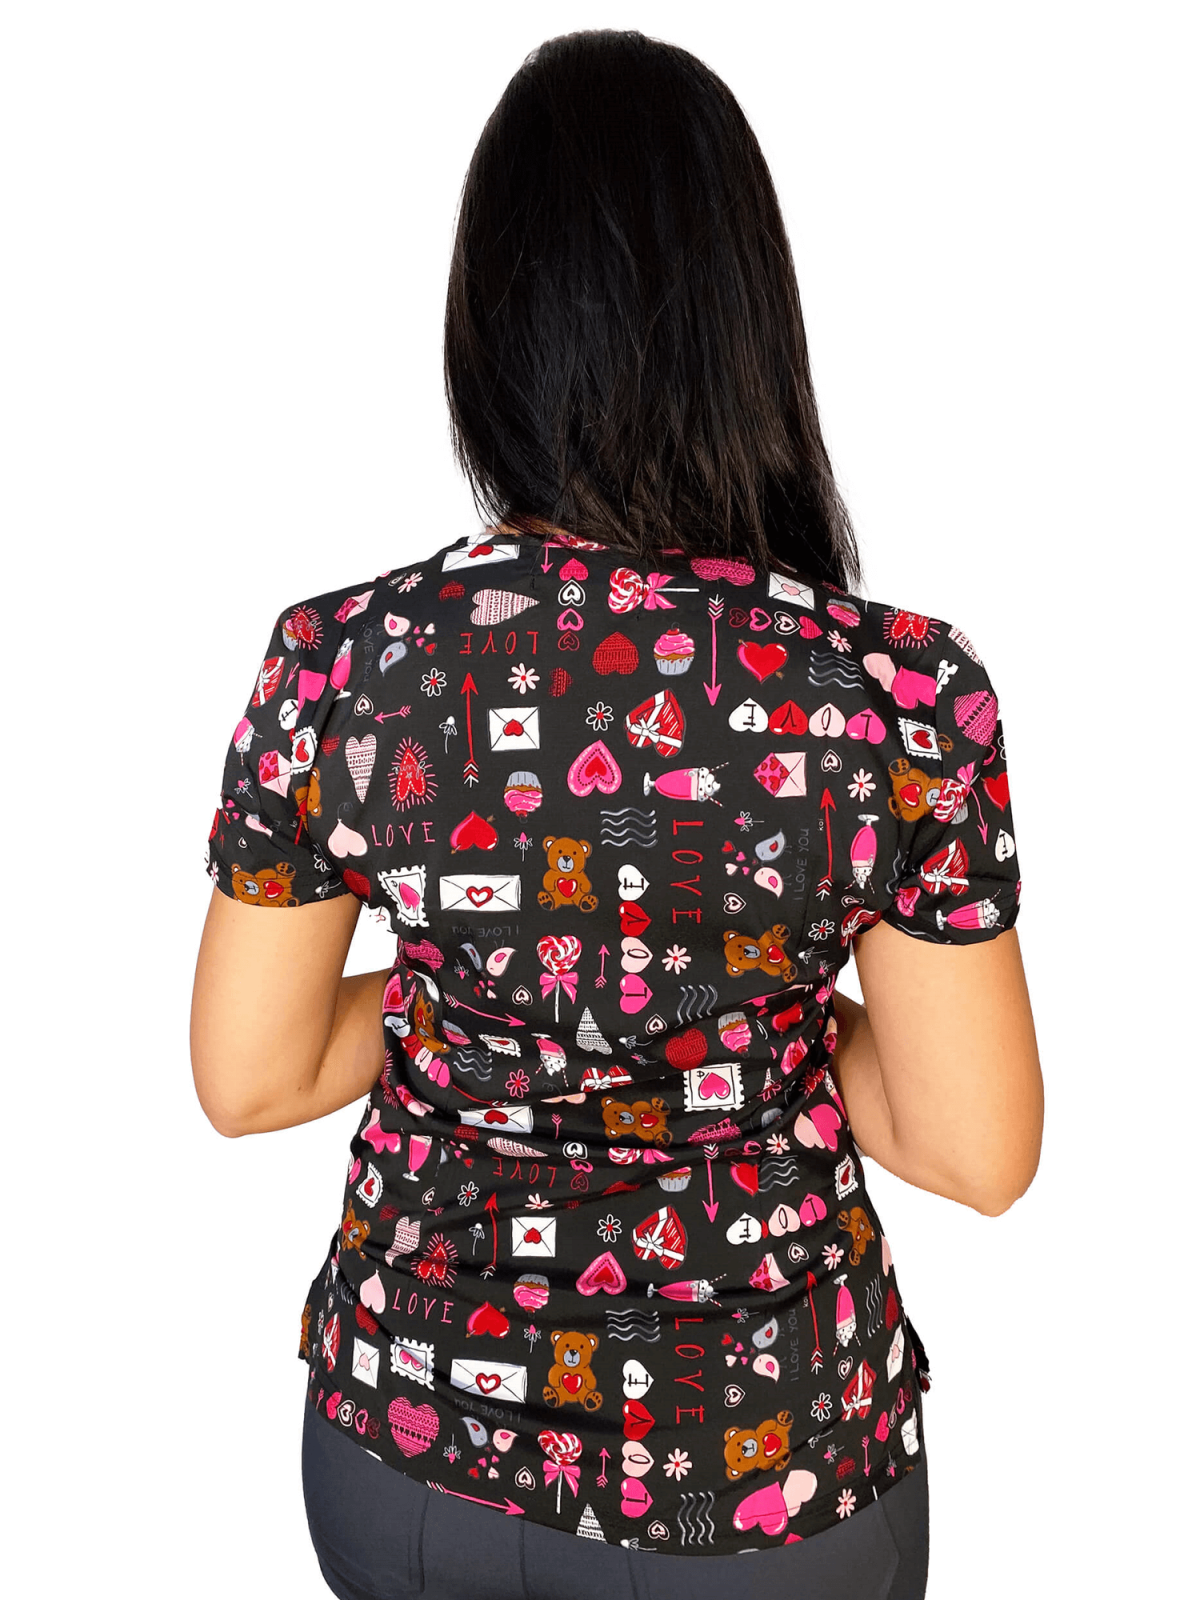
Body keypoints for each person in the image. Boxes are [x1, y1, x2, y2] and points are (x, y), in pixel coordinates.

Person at [191, 29, 1042, 1600]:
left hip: (414, 1450)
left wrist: (483, 987)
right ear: (747, 318)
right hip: (774, 1475)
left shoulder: (345, 664)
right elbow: (971, 1146)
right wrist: (737, 1012)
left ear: (486, 325)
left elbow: (254, 1077)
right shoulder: (897, 696)